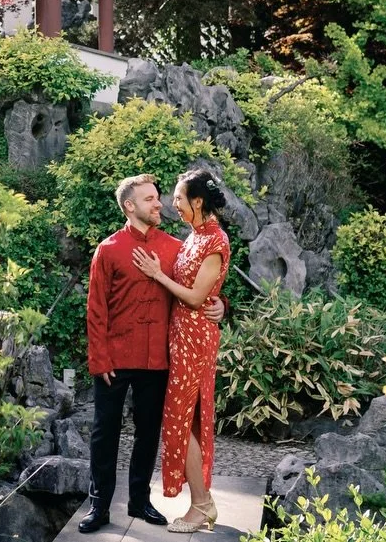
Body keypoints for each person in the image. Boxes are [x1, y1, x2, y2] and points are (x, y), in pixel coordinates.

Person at [79, 174, 225, 534]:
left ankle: (140, 501)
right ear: (130, 206)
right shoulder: (108, 249)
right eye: (150, 199)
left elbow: (200, 288)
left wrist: (222, 304)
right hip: (114, 359)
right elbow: (95, 310)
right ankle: (99, 506)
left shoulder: (177, 246)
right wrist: (99, 360)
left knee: (148, 433)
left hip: (159, 359)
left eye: (160, 198)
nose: (159, 204)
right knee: (105, 433)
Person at [132, 168, 232, 533]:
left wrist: (158, 274)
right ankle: (202, 501)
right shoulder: (194, 236)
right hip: (180, 337)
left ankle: (202, 505)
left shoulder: (215, 241)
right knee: (180, 417)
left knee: (180, 417)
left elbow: (194, 296)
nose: (172, 203)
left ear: (198, 201)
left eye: (178, 197)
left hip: (195, 339)